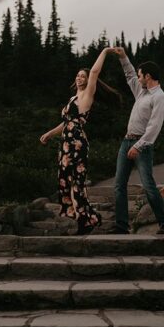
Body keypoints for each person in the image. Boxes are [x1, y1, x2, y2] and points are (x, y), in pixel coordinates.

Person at [40, 46, 118, 235]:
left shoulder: (86, 95)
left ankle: (85, 220)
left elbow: (94, 71)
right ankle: (83, 218)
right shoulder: (72, 98)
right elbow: (66, 123)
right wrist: (50, 134)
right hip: (66, 144)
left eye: (82, 76)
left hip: (77, 143)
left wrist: (106, 51)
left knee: (76, 181)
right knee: (65, 181)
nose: (79, 78)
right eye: (78, 75)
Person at [113, 47, 164, 234]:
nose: (138, 79)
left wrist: (138, 146)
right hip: (126, 142)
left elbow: (154, 127)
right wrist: (123, 57)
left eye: (141, 76)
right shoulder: (142, 91)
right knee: (119, 186)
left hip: (142, 145)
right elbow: (130, 75)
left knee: (148, 185)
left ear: (147, 76)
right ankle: (121, 226)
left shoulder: (159, 97)